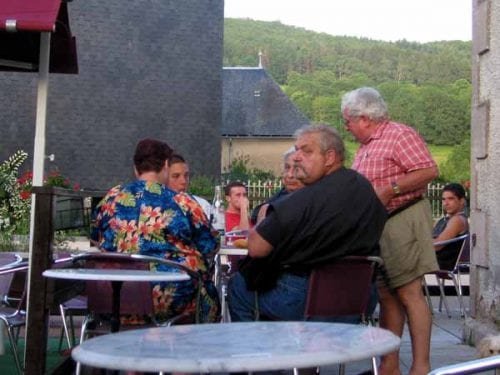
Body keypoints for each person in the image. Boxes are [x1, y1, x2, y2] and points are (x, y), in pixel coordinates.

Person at [227, 124, 387, 321]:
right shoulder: (364, 188)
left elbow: (256, 248)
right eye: (296, 150)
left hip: (305, 298)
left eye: (307, 151)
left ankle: (260, 350)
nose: (296, 157)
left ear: (329, 157)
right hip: (359, 299)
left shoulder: (302, 200)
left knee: (238, 287)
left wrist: (263, 217)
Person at [342, 87, 439, 375]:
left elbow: (428, 170)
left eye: (348, 120)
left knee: (410, 292)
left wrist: (390, 190)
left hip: (402, 217)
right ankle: (390, 365)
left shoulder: (398, 134)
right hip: (380, 224)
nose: (346, 126)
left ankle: (420, 366)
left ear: (364, 118)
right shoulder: (366, 146)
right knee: (387, 295)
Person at [91, 138, 220, 323]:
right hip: (172, 300)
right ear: (166, 165)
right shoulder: (183, 202)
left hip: (119, 297)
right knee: (207, 289)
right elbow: (209, 245)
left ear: (136, 168)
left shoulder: (110, 199)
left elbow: (96, 239)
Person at [250, 146, 305, 225]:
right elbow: (256, 214)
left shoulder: (313, 201)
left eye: (297, 169)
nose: (290, 175)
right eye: (287, 167)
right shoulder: (284, 192)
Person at [432, 183, 469, 270]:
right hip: (435, 263)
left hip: (444, 266)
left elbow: (437, 245)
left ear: (462, 201)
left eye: (451, 199)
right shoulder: (445, 219)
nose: (446, 203)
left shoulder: (457, 220)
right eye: (444, 199)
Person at [166, 153, 212, 218]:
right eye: (176, 176)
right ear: (164, 178)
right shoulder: (155, 207)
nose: (184, 181)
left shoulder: (202, 205)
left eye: (186, 175)